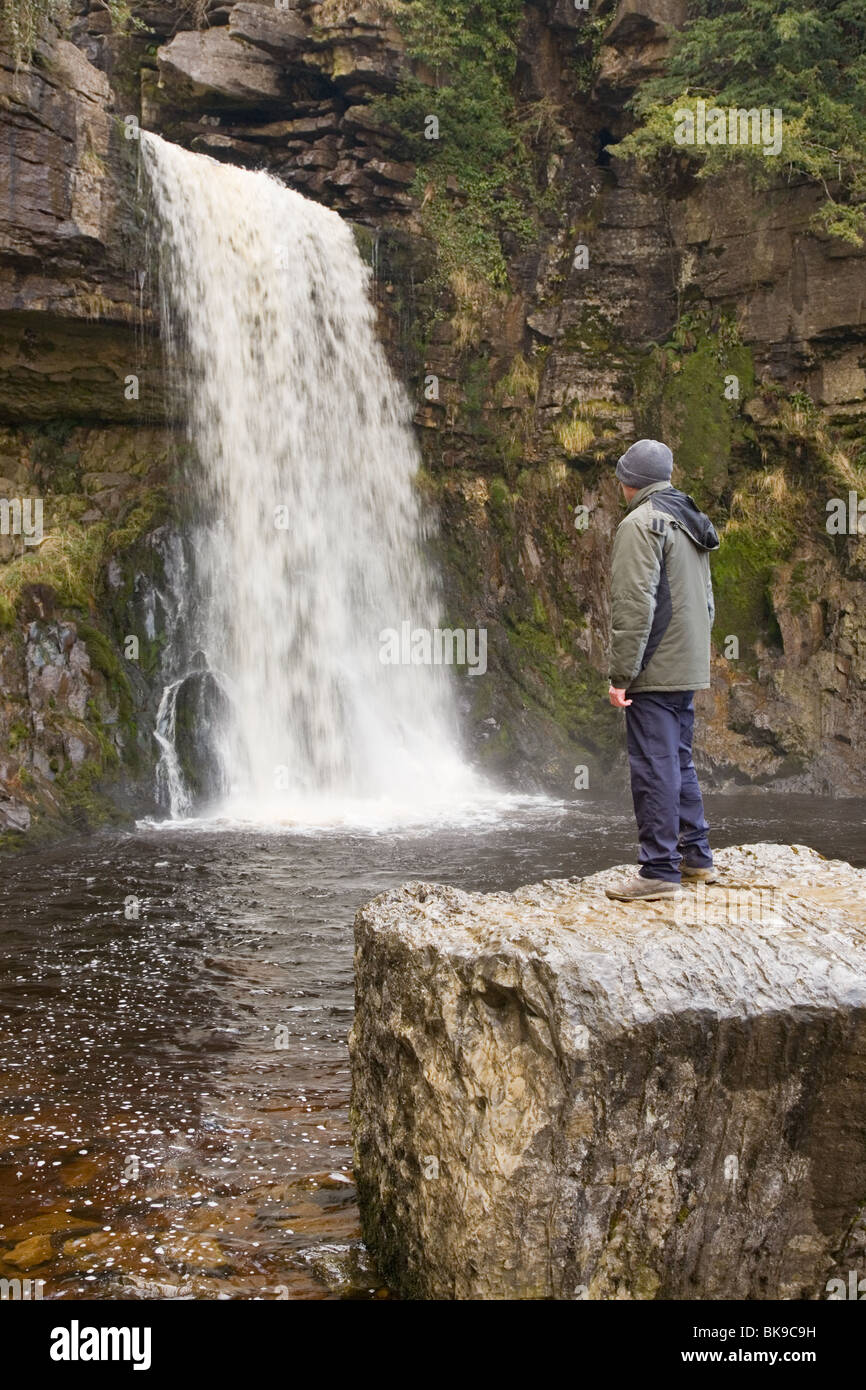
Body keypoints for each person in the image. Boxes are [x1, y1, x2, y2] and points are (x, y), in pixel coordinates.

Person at [604, 439, 720, 902]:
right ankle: (696, 859)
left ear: (628, 482)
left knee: (654, 766)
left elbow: (634, 607)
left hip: (654, 667)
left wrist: (621, 676)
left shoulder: (640, 524)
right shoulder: (690, 520)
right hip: (686, 663)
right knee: (679, 760)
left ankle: (658, 872)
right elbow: (707, 602)